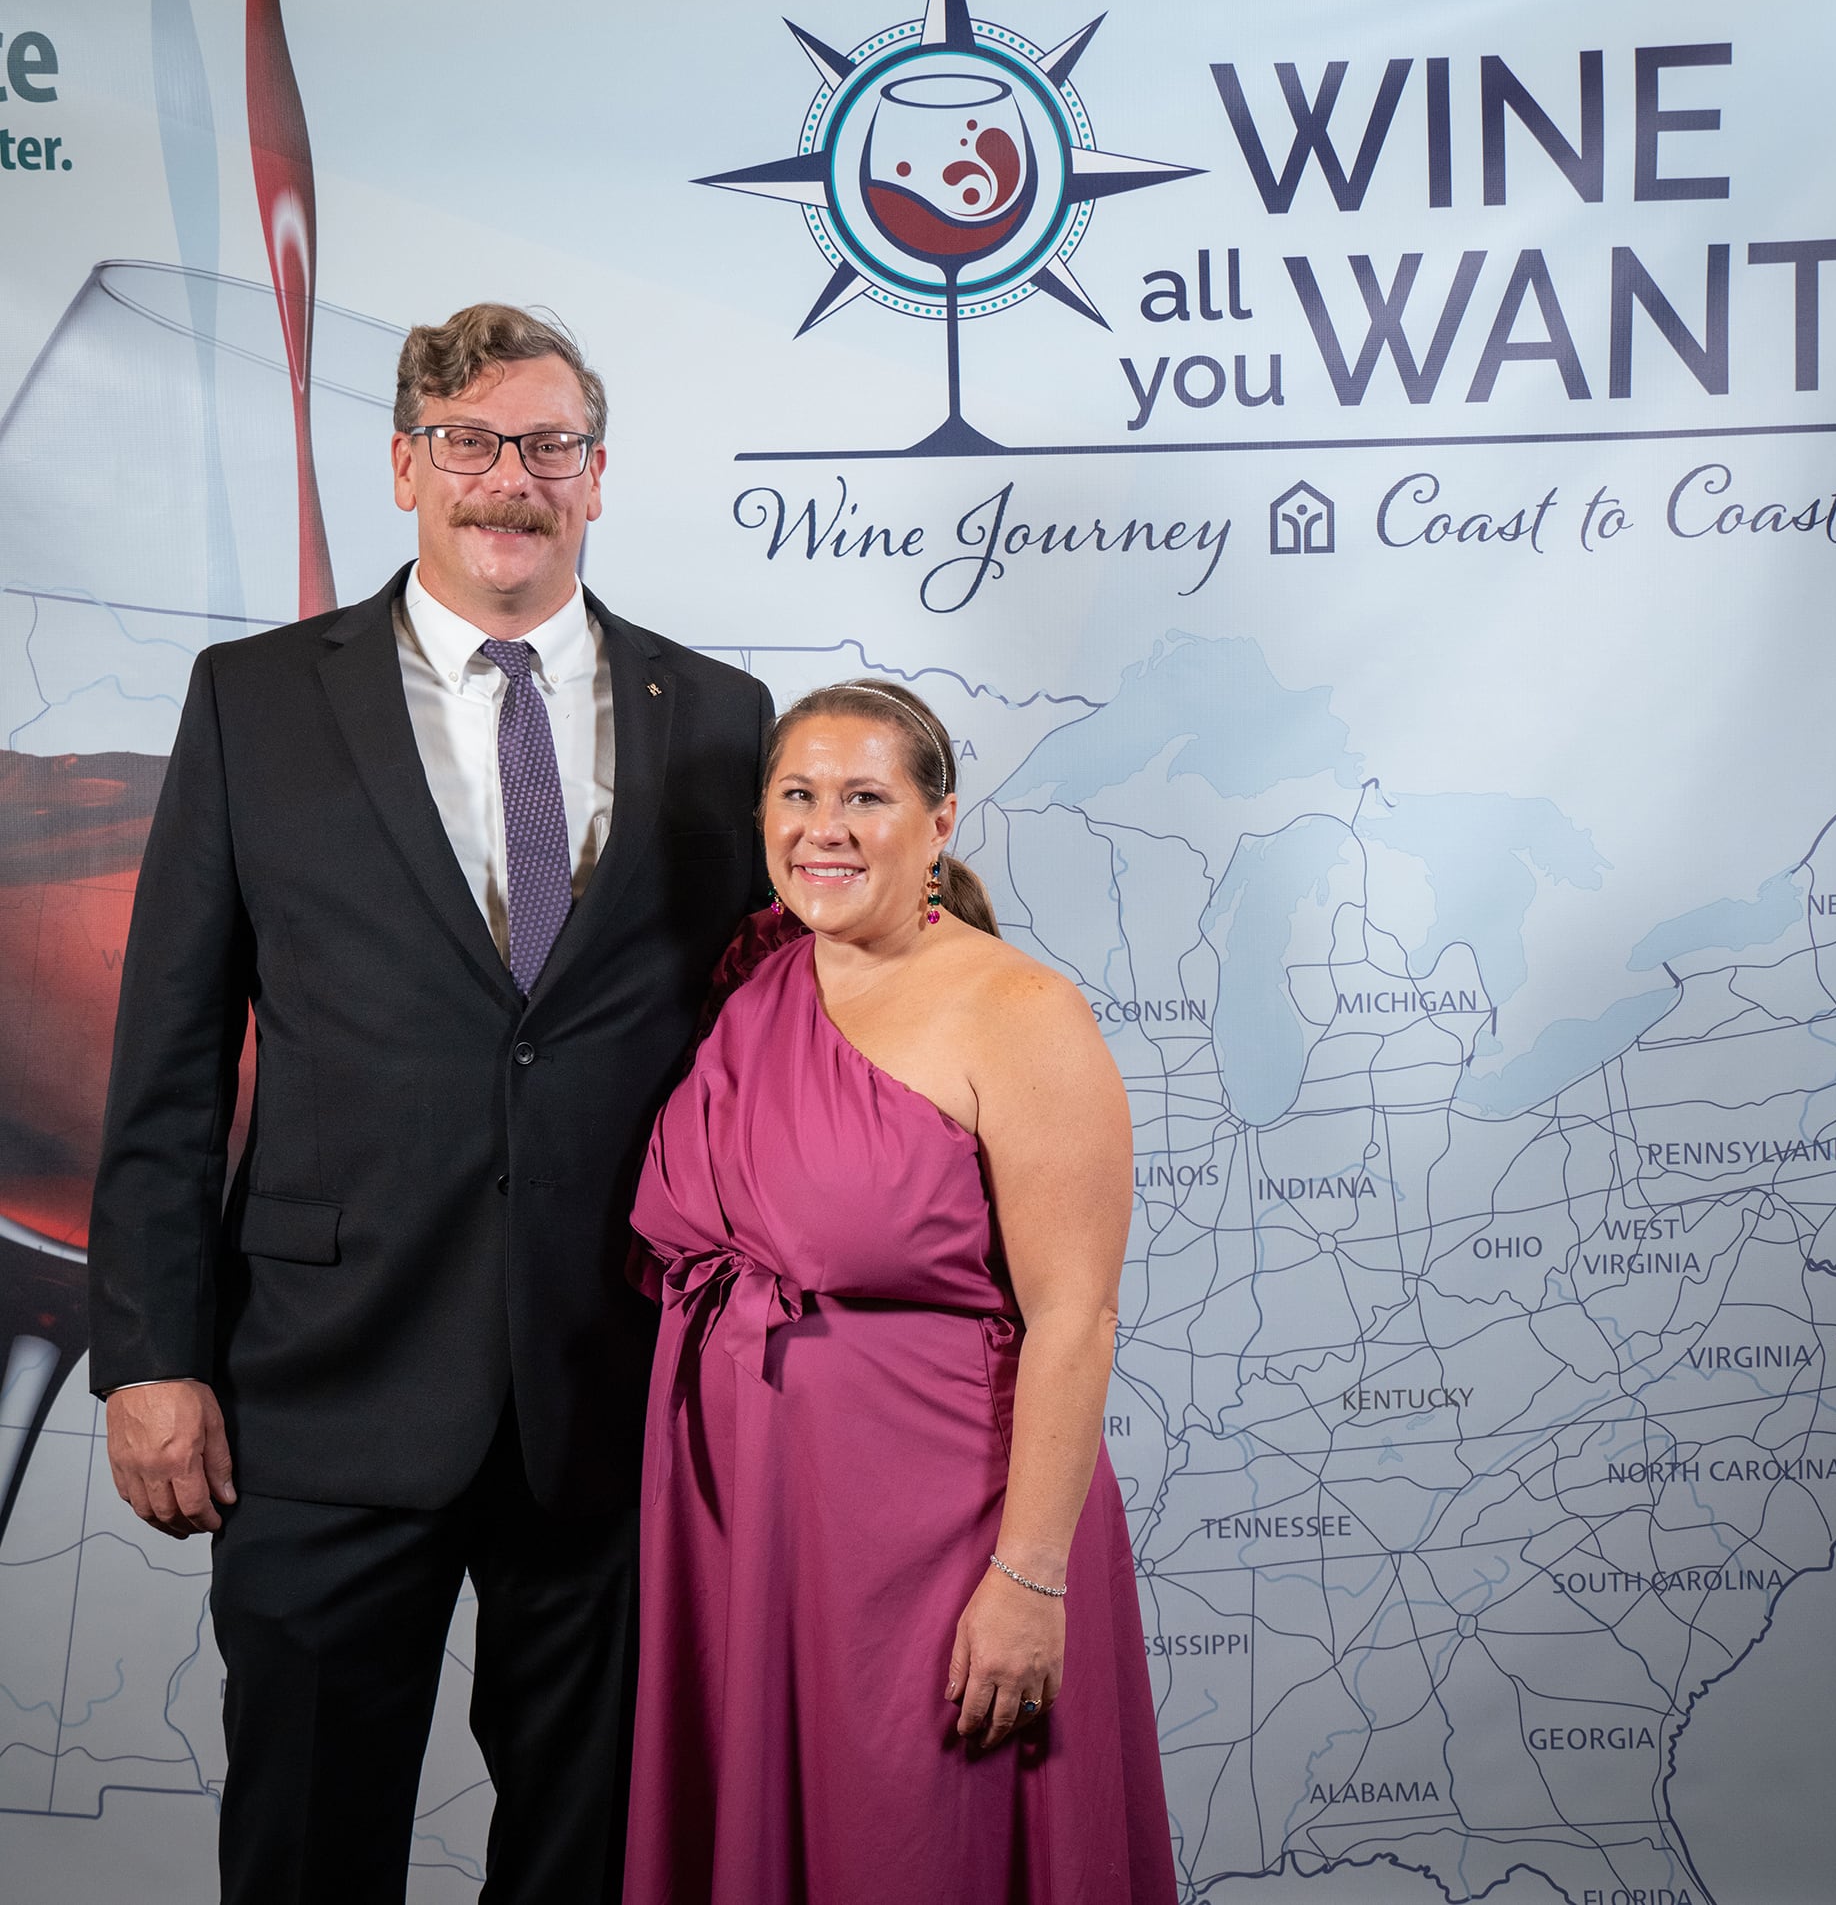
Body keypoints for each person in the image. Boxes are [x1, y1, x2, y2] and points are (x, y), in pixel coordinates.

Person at [87, 303, 772, 1904]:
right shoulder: (255, 698)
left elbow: (765, 1041)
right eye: (469, 443)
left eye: (549, 445)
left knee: (590, 1864)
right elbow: (170, 1053)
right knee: (306, 1855)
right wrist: (151, 1352)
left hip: (617, 1397)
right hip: (322, 1388)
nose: (509, 479)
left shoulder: (720, 716)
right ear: (405, 465)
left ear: (598, 474)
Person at [624, 679, 1177, 1904]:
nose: (824, 827)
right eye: (798, 794)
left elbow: (1076, 1317)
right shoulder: (758, 981)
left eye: (865, 797)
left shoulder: (1021, 1010)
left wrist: (1028, 1578)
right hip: (751, 1516)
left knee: (922, 1849)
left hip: (942, 1530)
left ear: (939, 821)